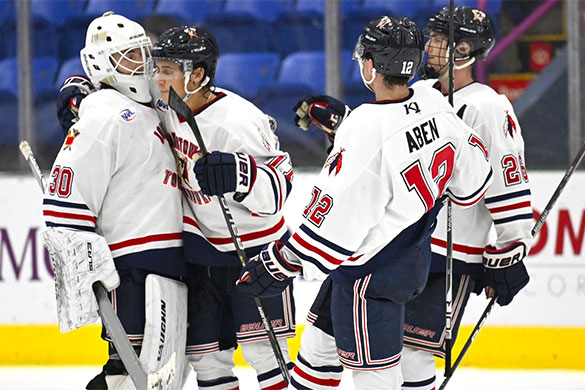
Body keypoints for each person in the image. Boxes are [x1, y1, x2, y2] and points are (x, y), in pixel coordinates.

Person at [236, 16, 494, 390]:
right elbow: (472, 182)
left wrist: (282, 261)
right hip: (413, 256)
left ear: (371, 65)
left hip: (370, 271)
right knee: (318, 348)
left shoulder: (365, 131)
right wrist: (345, 124)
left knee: (376, 375)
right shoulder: (434, 101)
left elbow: (338, 213)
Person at [289, 7, 533, 390]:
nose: (430, 45)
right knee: (322, 343)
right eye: (430, 37)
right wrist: (345, 123)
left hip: (448, 254)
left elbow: (508, 179)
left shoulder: (487, 105)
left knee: (412, 357)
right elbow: (390, 147)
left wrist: (510, 246)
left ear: (464, 49)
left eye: (440, 39)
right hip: (394, 246)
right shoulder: (422, 93)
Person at [44, 12, 185, 389]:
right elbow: (64, 197)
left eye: (144, 53)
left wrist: (78, 87)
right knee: (126, 374)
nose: (143, 64)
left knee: (162, 378)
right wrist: (82, 258)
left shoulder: (155, 103)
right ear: (102, 64)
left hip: (169, 257)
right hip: (131, 263)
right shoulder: (103, 113)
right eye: (130, 56)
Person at [152, 26, 296, 390]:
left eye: (168, 70)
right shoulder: (167, 108)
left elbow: (281, 186)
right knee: (206, 358)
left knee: (266, 353)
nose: (158, 78)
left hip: (255, 252)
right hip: (203, 254)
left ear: (197, 74)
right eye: (158, 69)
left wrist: (242, 175)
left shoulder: (239, 121)